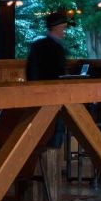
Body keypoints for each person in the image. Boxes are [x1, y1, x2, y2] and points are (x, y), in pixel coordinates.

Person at [26, 9, 74, 147]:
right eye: (63, 27)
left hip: (39, 95)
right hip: (52, 95)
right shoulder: (55, 47)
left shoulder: (37, 46)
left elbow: (30, 72)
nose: (64, 31)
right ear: (56, 27)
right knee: (54, 130)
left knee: (44, 131)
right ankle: (53, 152)